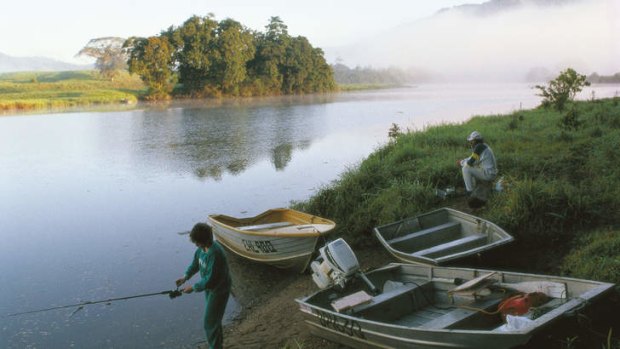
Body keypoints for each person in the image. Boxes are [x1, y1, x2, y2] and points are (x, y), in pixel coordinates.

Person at [176, 223, 231, 349]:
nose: (196, 245)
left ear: (206, 240)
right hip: (209, 289)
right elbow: (195, 264)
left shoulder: (216, 254)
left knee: (209, 323)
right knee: (214, 321)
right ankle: (218, 345)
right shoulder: (201, 249)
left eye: (198, 242)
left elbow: (210, 280)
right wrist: (185, 277)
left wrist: (193, 287)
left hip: (219, 290)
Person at [458, 131, 498, 206]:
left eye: (471, 141)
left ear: (475, 141)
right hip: (490, 172)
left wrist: (461, 163)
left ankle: (470, 192)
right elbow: (472, 158)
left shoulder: (479, 147)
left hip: (488, 174)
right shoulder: (483, 146)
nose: (470, 143)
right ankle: (473, 189)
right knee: (470, 167)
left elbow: (470, 162)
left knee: (465, 168)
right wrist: (463, 161)